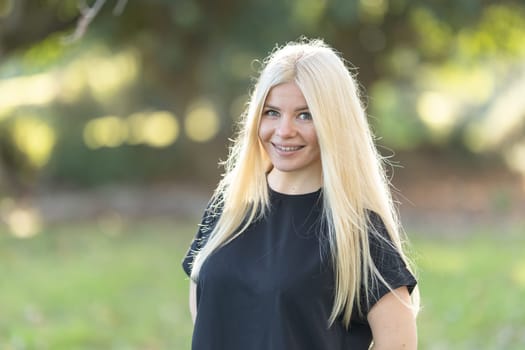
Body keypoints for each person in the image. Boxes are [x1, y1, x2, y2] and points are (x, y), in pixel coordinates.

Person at [182, 38, 419, 350]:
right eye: (272, 112)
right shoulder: (228, 208)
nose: (284, 131)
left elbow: (399, 344)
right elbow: (207, 315)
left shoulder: (357, 231)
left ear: (334, 123)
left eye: (305, 115)